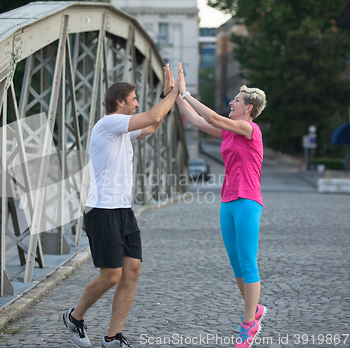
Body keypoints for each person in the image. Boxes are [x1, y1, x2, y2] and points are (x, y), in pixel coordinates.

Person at [63, 65, 180, 348]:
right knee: (111, 275)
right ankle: (74, 317)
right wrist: (175, 93)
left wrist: (167, 96)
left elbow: (153, 124)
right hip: (102, 211)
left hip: (123, 211)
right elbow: (152, 114)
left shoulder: (122, 132)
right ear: (120, 102)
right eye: (134, 98)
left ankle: (112, 337)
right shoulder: (108, 124)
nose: (137, 102)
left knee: (133, 270)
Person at [167, 62, 267, 348]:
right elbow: (200, 122)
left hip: (248, 201)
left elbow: (211, 115)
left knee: (248, 263)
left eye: (236, 101)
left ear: (248, 108)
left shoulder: (250, 130)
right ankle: (255, 308)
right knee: (236, 265)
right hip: (228, 201)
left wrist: (186, 93)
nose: (231, 103)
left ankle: (249, 325)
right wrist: (175, 95)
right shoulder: (230, 131)